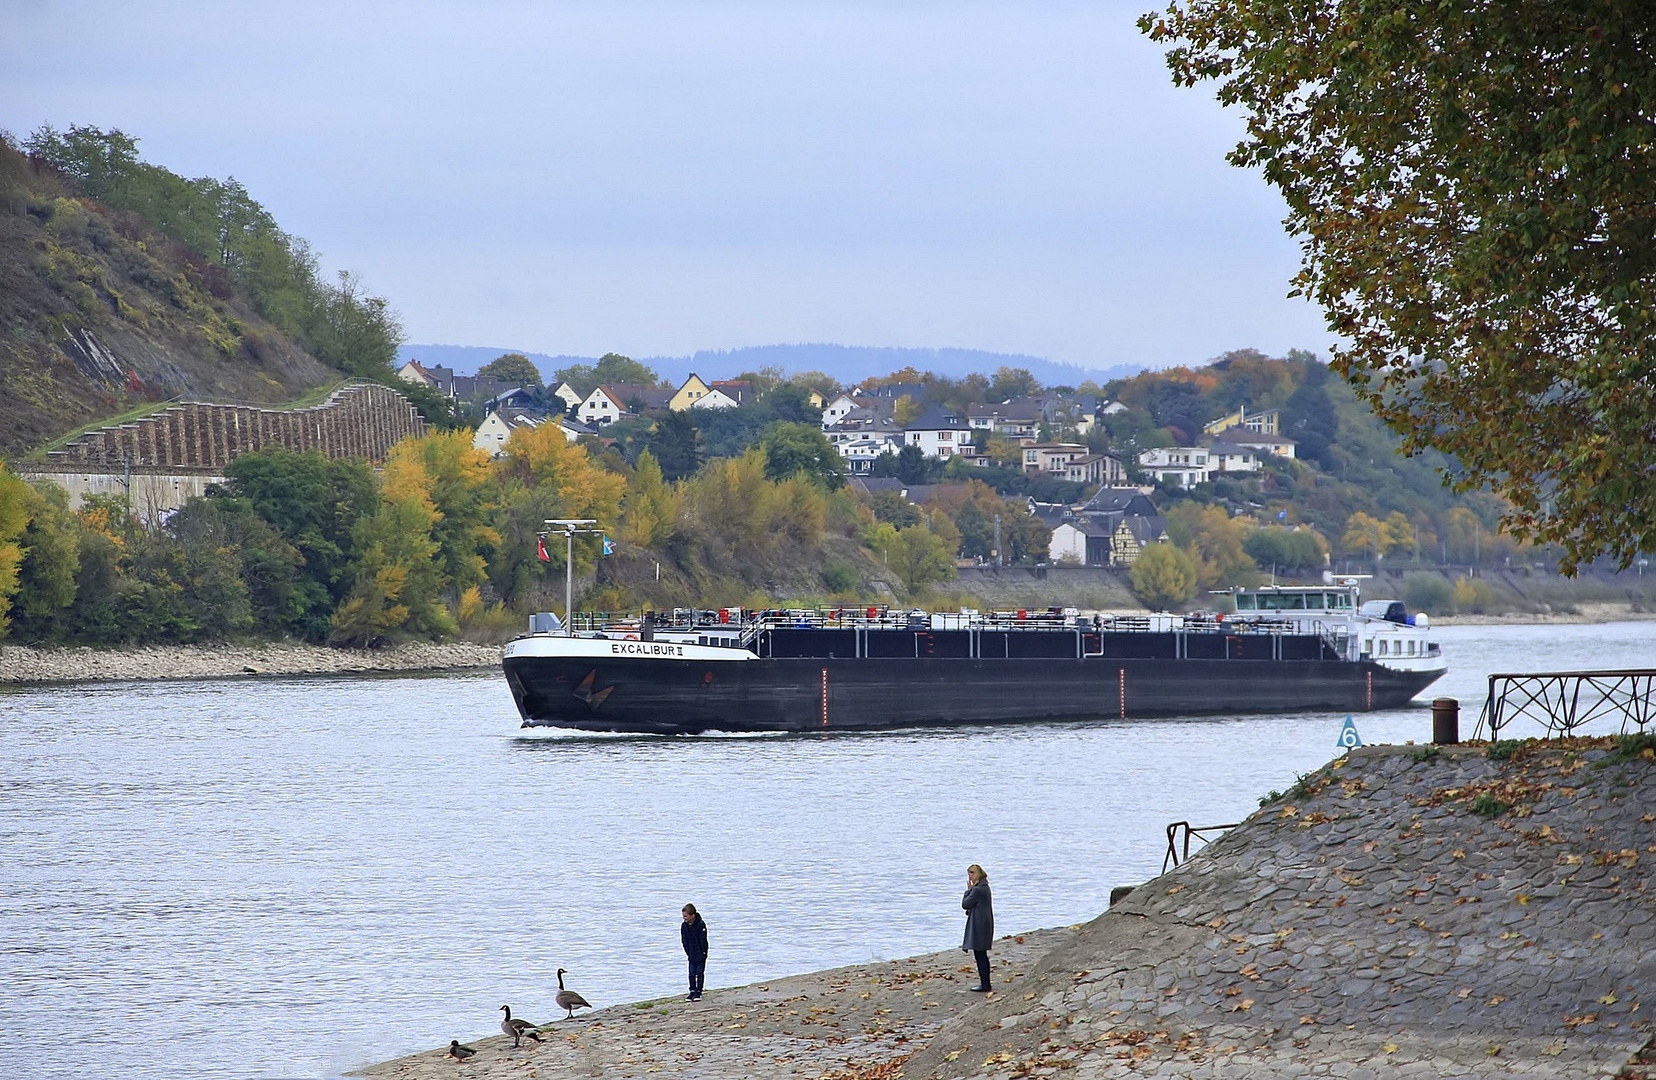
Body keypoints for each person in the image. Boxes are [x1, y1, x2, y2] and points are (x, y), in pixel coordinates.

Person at [961, 864, 994, 992]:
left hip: (979, 924)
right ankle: (985, 983)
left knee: (980, 954)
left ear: (978, 874)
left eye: (972, 872)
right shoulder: (985, 887)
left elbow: (965, 904)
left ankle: (985, 984)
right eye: (969, 873)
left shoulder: (977, 890)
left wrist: (968, 891)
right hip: (985, 923)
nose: (970, 875)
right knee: (982, 954)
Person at [681, 903, 708, 1000]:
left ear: (692, 915)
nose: (684, 918)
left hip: (700, 953)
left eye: (686, 916)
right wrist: (688, 952)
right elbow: (684, 940)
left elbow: (703, 940)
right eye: (683, 916)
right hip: (691, 953)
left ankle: (698, 992)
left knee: (699, 973)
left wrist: (703, 952)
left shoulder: (700, 924)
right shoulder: (684, 926)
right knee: (691, 973)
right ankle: (692, 991)